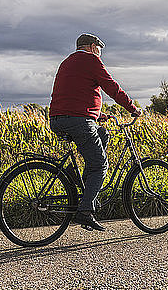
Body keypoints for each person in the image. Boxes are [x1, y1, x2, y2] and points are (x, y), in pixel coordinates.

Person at [49, 33, 142, 231]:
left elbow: (73, 95)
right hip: (78, 121)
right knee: (100, 165)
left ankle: (82, 185)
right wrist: (132, 108)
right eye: (99, 50)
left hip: (59, 119)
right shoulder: (91, 60)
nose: (100, 54)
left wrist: (97, 116)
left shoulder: (67, 62)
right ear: (92, 47)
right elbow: (112, 87)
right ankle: (86, 211)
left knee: (102, 134)